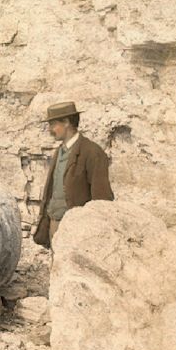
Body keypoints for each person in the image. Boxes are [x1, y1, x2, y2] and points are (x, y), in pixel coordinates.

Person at [33, 101, 113, 249]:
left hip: (78, 229)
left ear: (67, 122)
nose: (50, 130)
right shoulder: (60, 151)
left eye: (53, 124)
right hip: (54, 224)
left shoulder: (92, 152)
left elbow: (102, 198)